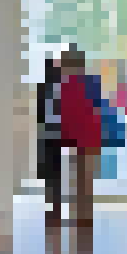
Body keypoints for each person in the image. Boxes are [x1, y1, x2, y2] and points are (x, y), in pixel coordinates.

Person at [56, 48, 105, 229]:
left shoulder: (67, 84)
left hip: (79, 136)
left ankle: (81, 215)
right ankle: (84, 216)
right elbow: (98, 110)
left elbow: (65, 113)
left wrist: (65, 136)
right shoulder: (91, 82)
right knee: (84, 178)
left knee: (79, 177)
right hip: (89, 136)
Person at [36, 54, 64, 227]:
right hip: (53, 135)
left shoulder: (45, 88)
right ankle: (54, 209)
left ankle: (54, 209)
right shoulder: (54, 88)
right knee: (54, 174)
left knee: (53, 174)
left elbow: (40, 115)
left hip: (53, 135)